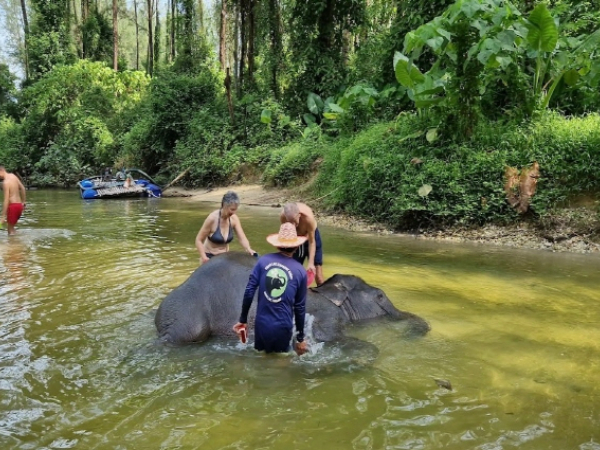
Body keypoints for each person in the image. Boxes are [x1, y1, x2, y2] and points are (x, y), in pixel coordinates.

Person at [233, 222, 309, 356]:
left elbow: (249, 290)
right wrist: (300, 338)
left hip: (262, 325)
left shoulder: (263, 261)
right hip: (283, 327)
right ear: (296, 246)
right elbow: (300, 307)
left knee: (261, 360)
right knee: (280, 365)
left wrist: (243, 320)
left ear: (277, 244)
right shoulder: (300, 271)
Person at [195, 191, 256, 264]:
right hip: (209, 257)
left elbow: (242, 238)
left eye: (235, 209)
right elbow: (198, 240)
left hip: (225, 257)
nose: (234, 212)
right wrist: (204, 257)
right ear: (224, 205)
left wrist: (248, 249)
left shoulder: (234, 219)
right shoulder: (212, 219)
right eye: (232, 209)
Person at [280, 202, 324, 285]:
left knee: (318, 276)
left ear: (299, 215)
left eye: (294, 221)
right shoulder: (283, 217)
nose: (293, 226)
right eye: (290, 222)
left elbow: (312, 242)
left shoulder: (308, 219)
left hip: (311, 239)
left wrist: (311, 263)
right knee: (291, 273)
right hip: (295, 240)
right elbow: (284, 237)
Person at [0, 166, 27, 236]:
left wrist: (3, 217)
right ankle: (18, 240)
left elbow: (6, 200)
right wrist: (24, 202)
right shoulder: (13, 176)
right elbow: (23, 188)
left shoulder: (5, 183)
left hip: (13, 207)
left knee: (10, 232)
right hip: (19, 206)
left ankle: (14, 245)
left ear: (1, 171)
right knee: (12, 228)